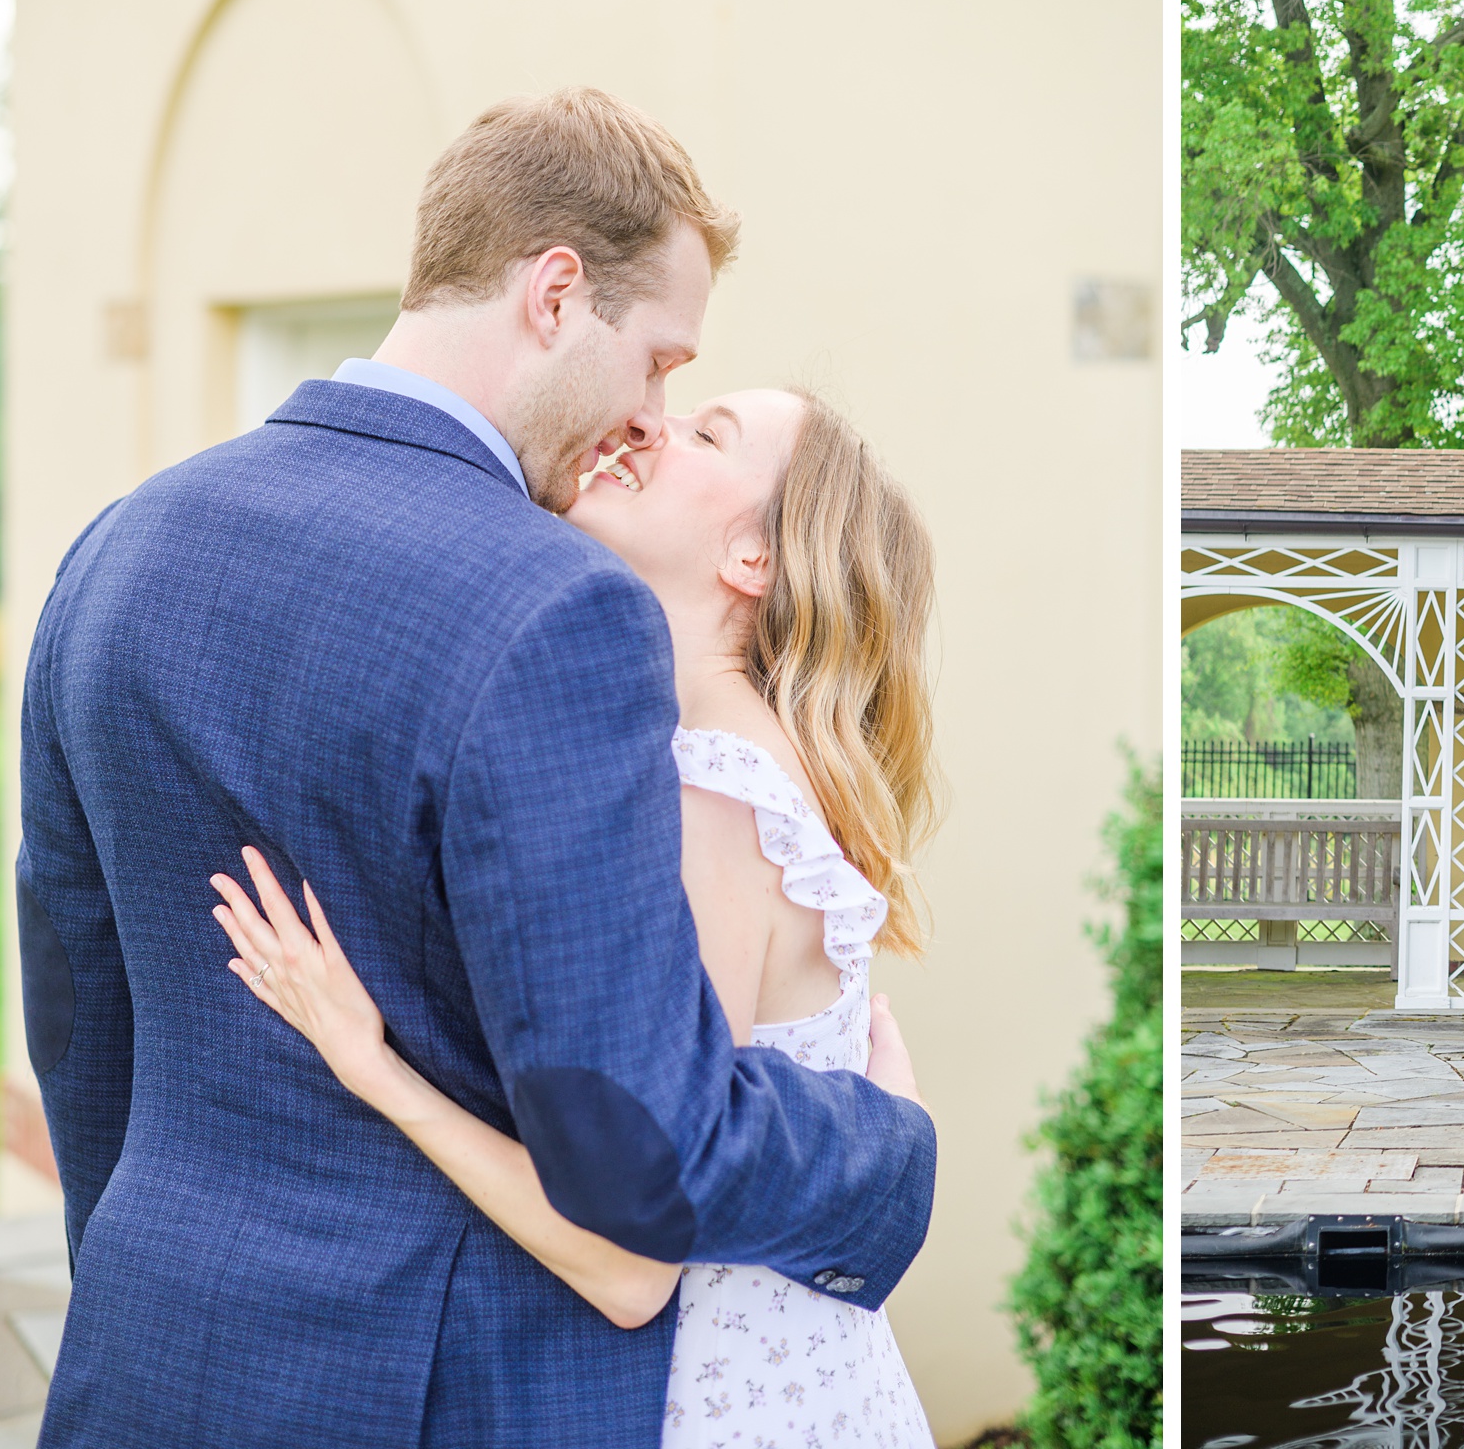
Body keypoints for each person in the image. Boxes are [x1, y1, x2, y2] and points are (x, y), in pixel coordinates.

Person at [18, 90, 937, 1447]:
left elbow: (79, 1012)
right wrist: (887, 1154)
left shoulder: (114, 548)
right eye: (663, 361)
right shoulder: (554, 608)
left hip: (149, 1361)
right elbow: (638, 1139)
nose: (650, 412)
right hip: (432, 1392)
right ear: (558, 292)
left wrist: (151, 1260)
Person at [214, 386, 941, 1445]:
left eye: (706, 433)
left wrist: (372, 1066)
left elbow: (630, 1264)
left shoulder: (712, 795)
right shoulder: (738, 771)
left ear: (753, 557)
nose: (651, 425)